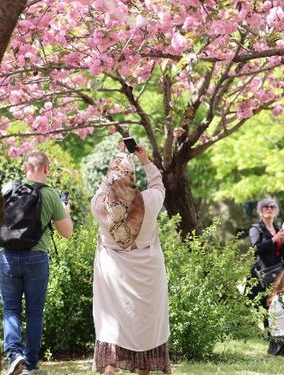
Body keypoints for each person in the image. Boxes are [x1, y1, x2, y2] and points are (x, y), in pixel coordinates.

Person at [91, 144, 171, 375]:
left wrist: (119, 158)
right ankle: (143, 369)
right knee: (144, 323)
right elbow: (158, 183)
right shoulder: (150, 201)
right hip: (148, 273)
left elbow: (104, 187)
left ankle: (110, 367)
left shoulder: (99, 206)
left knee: (114, 322)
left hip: (113, 274)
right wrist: (144, 160)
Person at [0, 151, 73, 375]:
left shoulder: (7, 189)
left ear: (25, 168)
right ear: (47, 169)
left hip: (7, 256)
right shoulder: (51, 195)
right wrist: (66, 211)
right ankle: (30, 364)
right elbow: (66, 232)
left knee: (10, 309)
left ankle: (14, 354)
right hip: (36, 258)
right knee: (34, 312)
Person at [248, 198, 284, 314]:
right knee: (267, 306)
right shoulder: (255, 229)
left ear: (276, 212)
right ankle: (268, 331)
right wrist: (274, 239)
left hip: (279, 272)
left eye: (272, 207)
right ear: (260, 211)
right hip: (264, 273)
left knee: (281, 305)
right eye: (265, 207)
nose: (269, 209)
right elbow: (256, 249)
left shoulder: (278, 228)